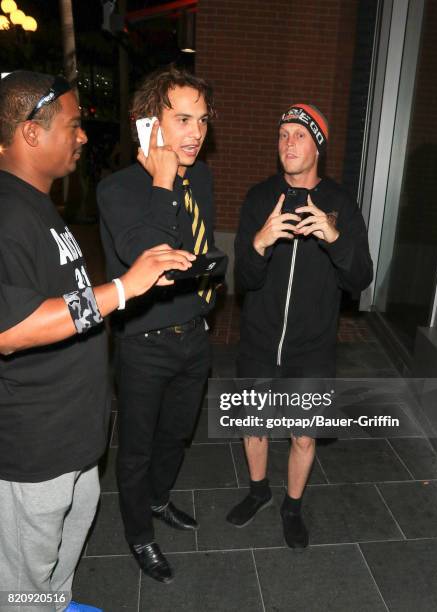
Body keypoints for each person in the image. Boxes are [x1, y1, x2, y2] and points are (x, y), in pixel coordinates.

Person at [0, 70, 195, 612]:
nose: (84, 136)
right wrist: (122, 289)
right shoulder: (6, 210)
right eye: (73, 125)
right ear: (31, 134)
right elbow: (10, 330)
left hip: (74, 439)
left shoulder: (38, 204)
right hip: (34, 451)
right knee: (20, 585)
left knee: (60, 563)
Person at [227, 104, 373, 549]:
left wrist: (335, 239)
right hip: (258, 338)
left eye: (299, 135)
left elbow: (361, 278)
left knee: (303, 433)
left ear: (318, 146)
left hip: (311, 347)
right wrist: (260, 241)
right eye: (283, 134)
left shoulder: (341, 204)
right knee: (253, 424)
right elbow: (244, 280)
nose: (288, 143)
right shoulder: (259, 198)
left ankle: (292, 505)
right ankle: (258, 491)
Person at [97, 66, 221, 583]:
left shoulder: (204, 179)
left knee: (177, 435)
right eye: (184, 119)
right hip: (144, 343)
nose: (196, 132)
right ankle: (138, 535)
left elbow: (191, 252)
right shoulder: (117, 188)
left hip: (194, 334)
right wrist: (163, 179)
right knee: (138, 446)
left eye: (203, 120)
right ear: (149, 124)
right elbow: (143, 252)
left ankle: (159, 499)